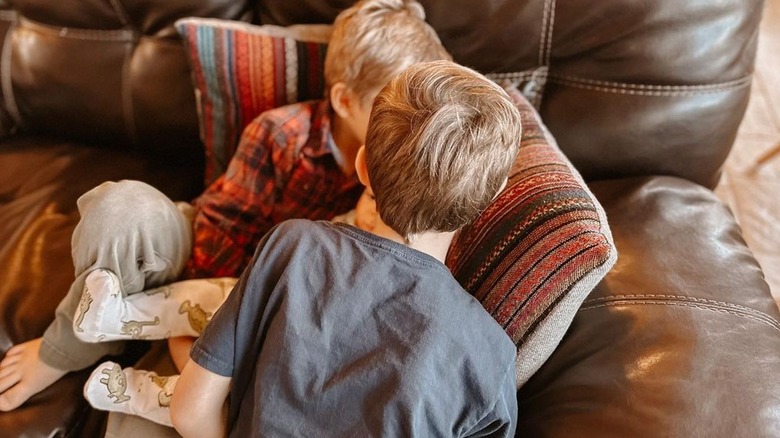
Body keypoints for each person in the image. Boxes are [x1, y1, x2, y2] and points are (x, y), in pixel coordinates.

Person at [0, 0, 451, 412]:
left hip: (271, 303)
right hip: (202, 256)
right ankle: (71, 347)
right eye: (389, 106)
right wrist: (193, 321)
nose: (405, 123)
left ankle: (139, 330)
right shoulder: (280, 134)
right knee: (120, 209)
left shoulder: (407, 164)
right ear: (345, 100)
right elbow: (218, 233)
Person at [170, 60, 522, 437]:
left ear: (362, 165)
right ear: (491, 198)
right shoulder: (489, 356)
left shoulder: (291, 247)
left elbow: (190, 412)